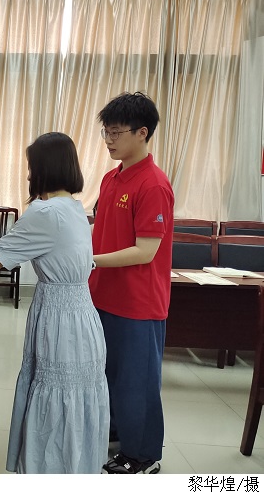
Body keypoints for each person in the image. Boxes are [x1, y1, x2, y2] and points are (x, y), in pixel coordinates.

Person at [0, 132, 109, 474]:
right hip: (82, 316)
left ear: (45, 168)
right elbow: (12, 248)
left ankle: (48, 469)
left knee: (54, 394)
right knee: (74, 395)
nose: (29, 174)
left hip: (59, 318)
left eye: (32, 167)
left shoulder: (44, 211)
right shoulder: (74, 208)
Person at [89, 92, 174, 475]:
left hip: (138, 303)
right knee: (108, 375)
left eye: (116, 133)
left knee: (137, 381)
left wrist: (89, 260)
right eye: (106, 132)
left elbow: (145, 251)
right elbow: (103, 233)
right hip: (103, 295)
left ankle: (142, 456)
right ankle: (117, 436)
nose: (109, 140)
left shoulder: (153, 185)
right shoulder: (111, 178)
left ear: (142, 133)